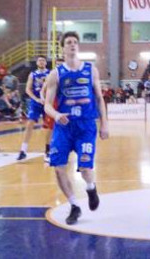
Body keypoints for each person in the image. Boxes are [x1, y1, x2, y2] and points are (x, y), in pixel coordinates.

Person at [44, 32, 108, 225]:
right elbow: (47, 104)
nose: (72, 45)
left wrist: (104, 123)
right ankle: (74, 205)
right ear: (62, 48)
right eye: (68, 43)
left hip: (86, 126)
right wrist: (56, 115)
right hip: (64, 126)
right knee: (58, 168)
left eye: (75, 42)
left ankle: (91, 187)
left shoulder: (91, 70)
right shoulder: (55, 74)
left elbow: (99, 98)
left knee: (85, 167)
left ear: (78, 47)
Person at [18, 56, 51, 162]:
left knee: (49, 127)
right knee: (29, 124)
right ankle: (23, 150)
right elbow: (28, 89)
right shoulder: (33, 74)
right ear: (37, 63)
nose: (41, 62)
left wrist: (47, 99)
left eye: (43, 60)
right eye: (39, 60)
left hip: (47, 102)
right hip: (36, 102)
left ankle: (48, 151)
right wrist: (36, 99)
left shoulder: (51, 73)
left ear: (46, 63)